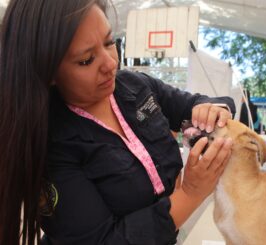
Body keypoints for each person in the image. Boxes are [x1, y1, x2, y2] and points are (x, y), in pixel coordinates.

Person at [0, 0, 235, 245]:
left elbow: (198, 103)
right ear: (48, 73)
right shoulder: (51, 143)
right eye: (86, 60)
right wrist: (190, 193)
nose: (111, 63)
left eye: (110, 42)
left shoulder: (136, 86)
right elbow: (104, 240)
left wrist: (210, 109)